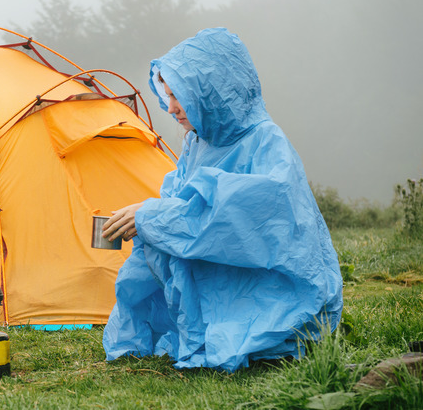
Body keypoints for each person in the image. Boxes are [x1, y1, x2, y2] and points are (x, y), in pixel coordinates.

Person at [101, 28, 343, 372]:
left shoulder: (264, 140)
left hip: (273, 282)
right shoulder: (198, 141)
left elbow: (248, 218)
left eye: (179, 96)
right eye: (166, 95)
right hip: (220, 277)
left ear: (208, 93)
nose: (170, 108)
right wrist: (147, 218)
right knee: (154, 235)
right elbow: (180, 203)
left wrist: (153, 215)